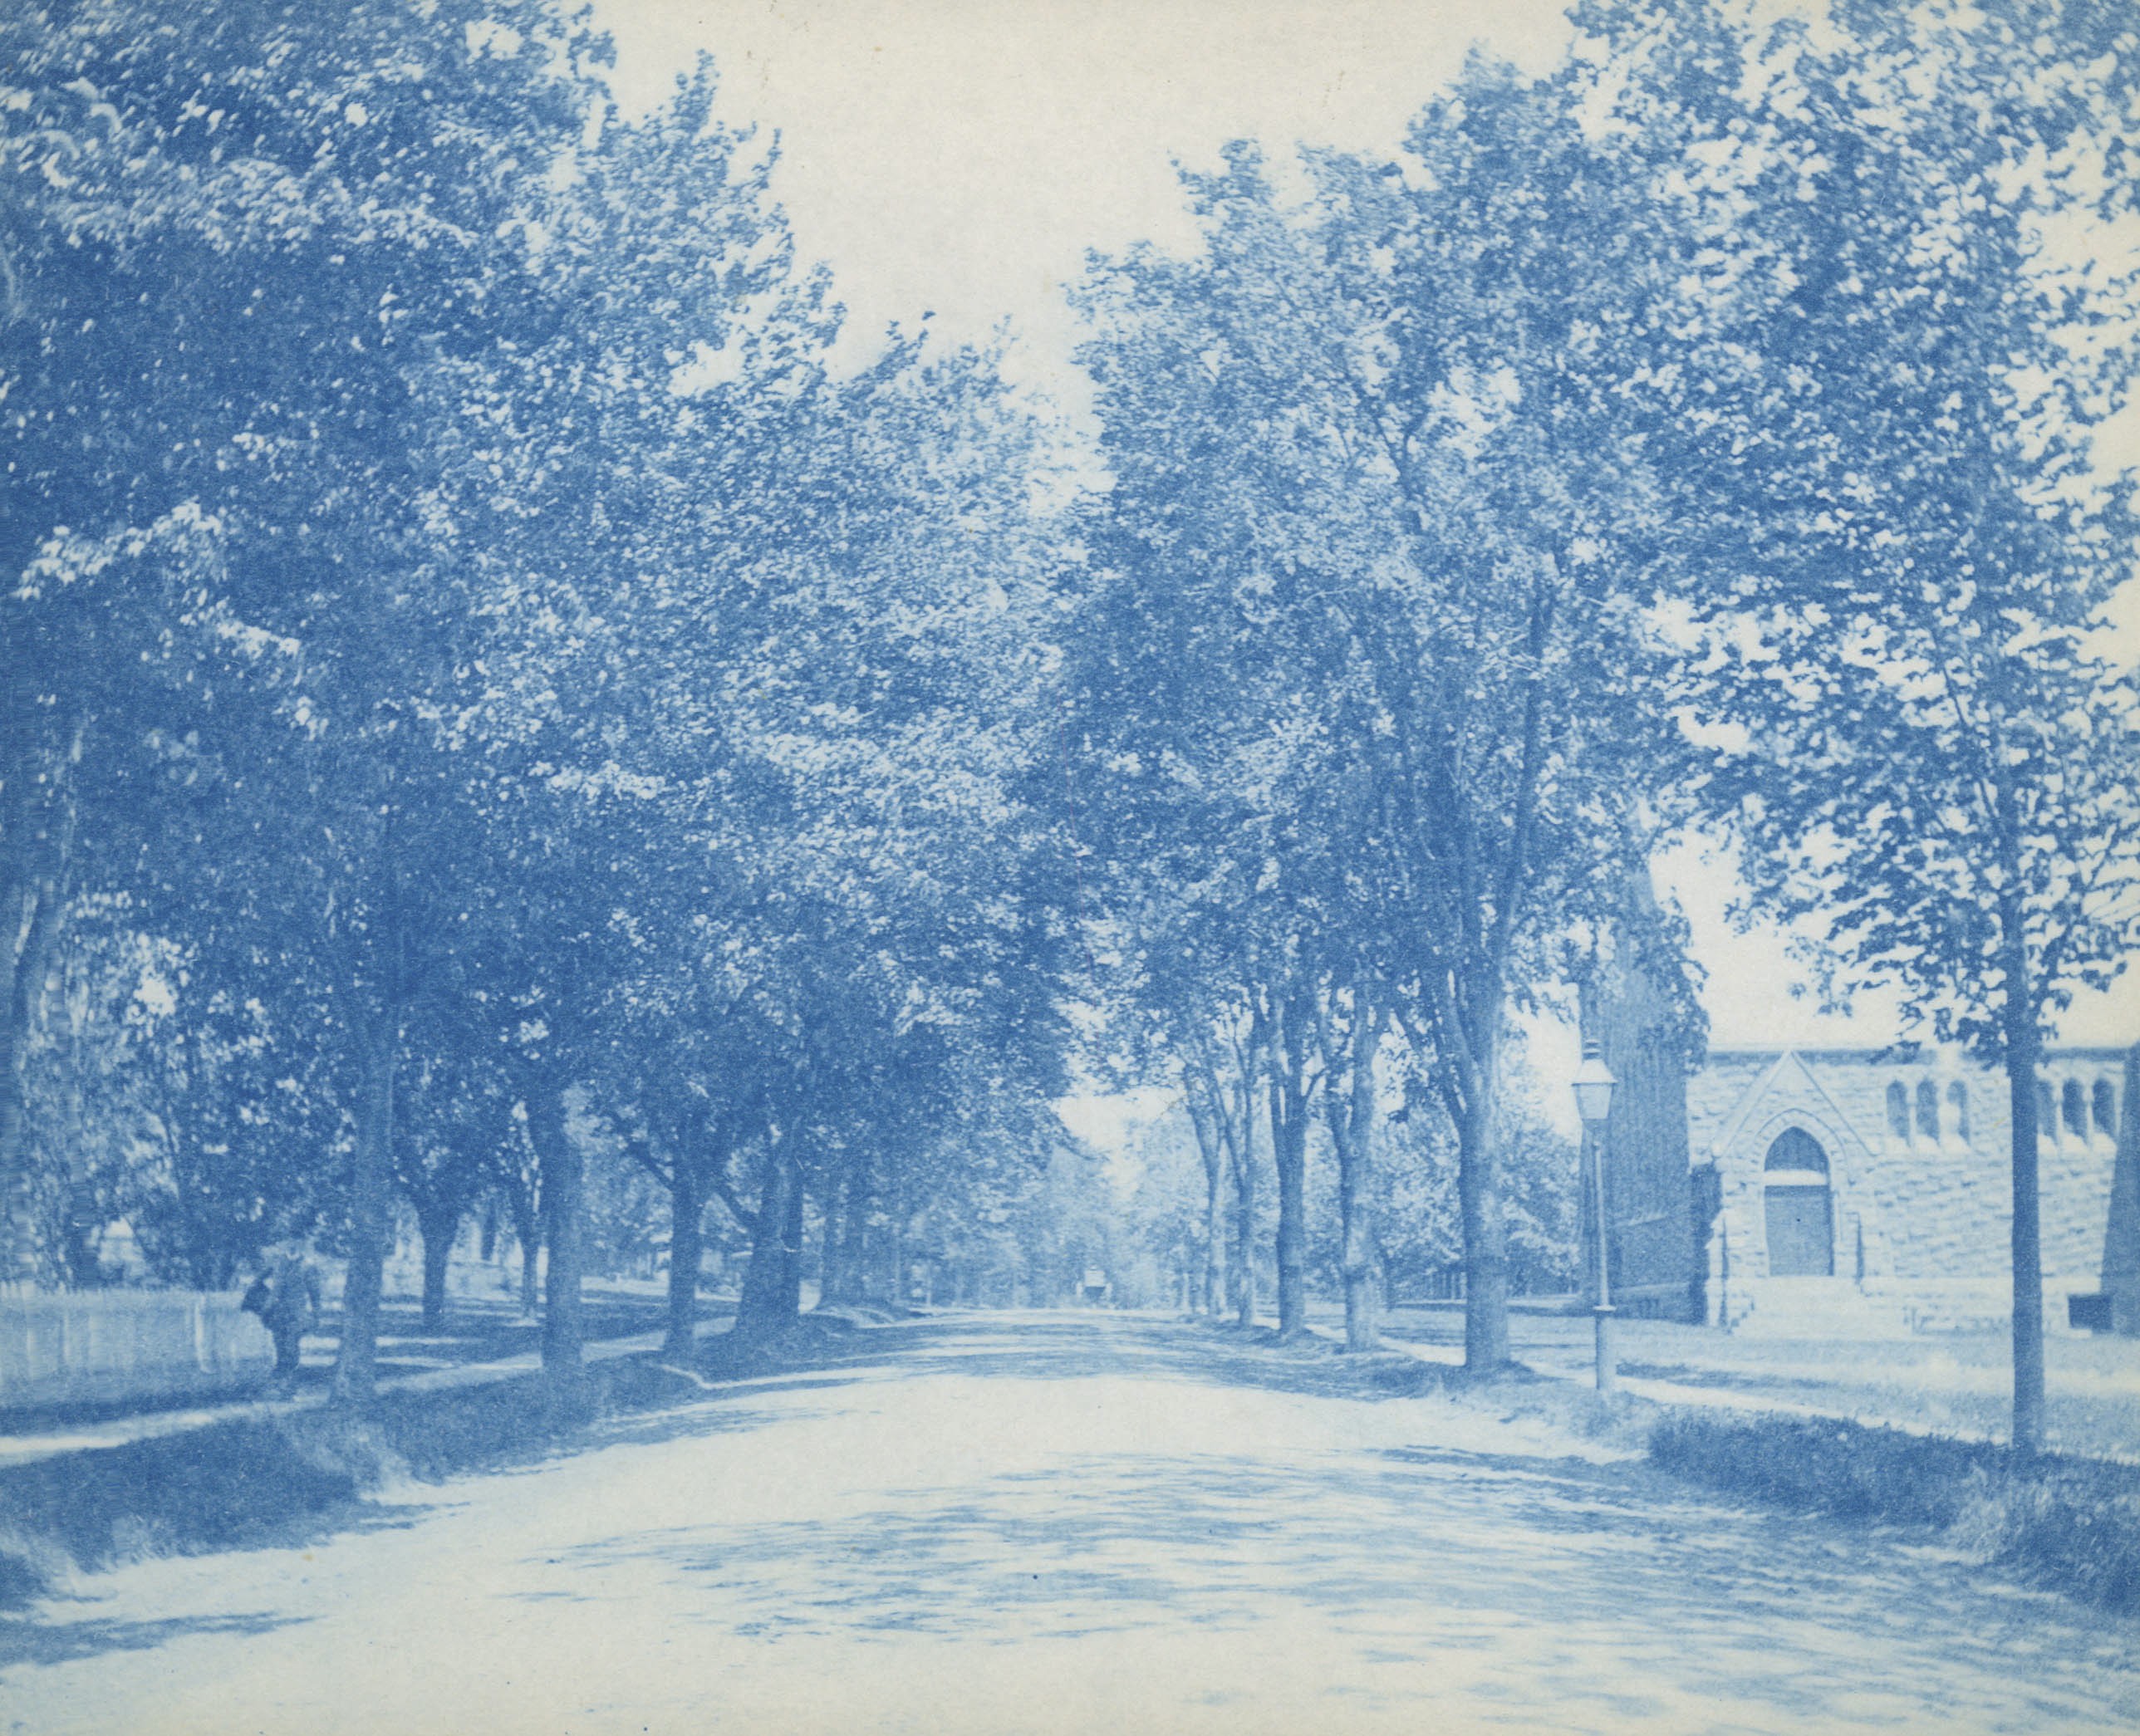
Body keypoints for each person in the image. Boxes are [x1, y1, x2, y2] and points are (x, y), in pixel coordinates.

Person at [257, 1239, 322, 1380]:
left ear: (300, 1244)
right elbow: (258, 1281)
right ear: (284, 1244)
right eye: (288, 1241)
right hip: (276, 1311)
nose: (291, 1245)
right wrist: (267, 1301)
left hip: (296, 1312)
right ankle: (280, 1376)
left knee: (292, 1343)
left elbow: (315, 1293)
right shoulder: (276, 1262)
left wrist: (316, 1314)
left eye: (295, 1241)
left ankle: (291, 1376)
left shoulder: (307, 1265)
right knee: (278, 1342)